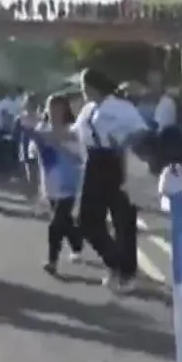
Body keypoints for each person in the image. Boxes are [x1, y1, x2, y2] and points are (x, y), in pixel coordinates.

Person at [74, 67, 151, 294]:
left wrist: (124, 142)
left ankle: (127, 273)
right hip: (94, 161)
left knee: (123, 219)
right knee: (87, 220)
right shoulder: (87, 110)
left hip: (117, 160)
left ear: (93, 86)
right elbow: (76, 133)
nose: (83, 91)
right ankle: (115, 260)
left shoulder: (120, 106)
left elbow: (142, 131)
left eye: (85, 86)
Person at [27, 93, 86, 275]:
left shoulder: (73, 130)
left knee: (56, 224)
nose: (54, 112)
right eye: (51, 108)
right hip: (50, 184)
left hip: (69, 184)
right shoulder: (42, 128)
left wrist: (57, 144)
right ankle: (77, 242)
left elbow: (79, 159)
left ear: (65, 110)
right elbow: (33, 153)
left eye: (58, 109)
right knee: (64, 222)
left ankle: (52, 261)